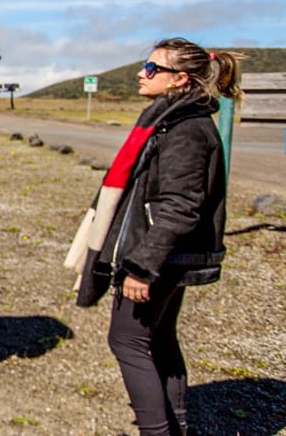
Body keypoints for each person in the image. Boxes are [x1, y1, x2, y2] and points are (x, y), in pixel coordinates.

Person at [66, 38, 241, 436]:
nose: (140, 74)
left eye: (150, 68)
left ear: (179, 79)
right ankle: (176, 424)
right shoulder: (173, 120)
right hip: (167, 254)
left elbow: (181, 206)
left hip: (159, 256)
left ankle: (158, 430)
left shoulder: (186, 129)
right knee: (159, 339)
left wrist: (142, 267)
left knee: (126, 340)